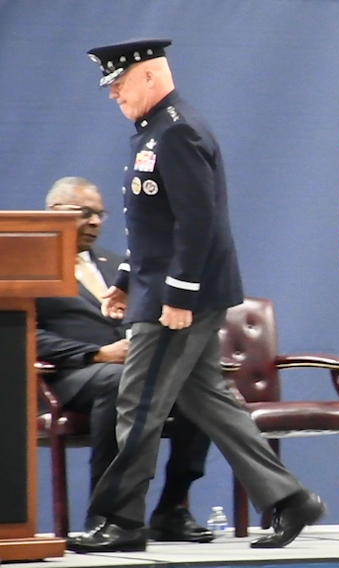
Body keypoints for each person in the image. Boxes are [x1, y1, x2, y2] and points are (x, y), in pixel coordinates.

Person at [66, 39, 323, 553]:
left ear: (147, 75)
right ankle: (290, 498)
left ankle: (123, 521)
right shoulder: (155, 131)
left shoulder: (177, 132)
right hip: (164, 292)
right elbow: (154, 230)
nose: (114, 94)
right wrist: (122, 283)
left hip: (176, 301)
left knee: (137, 405)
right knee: (209, 400)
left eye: (119, 83)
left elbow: (199, 223)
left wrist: (178, 297)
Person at [37, 176, 215, 542]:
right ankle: (106, 516)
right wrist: (96, 353)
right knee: (119, 385)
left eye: (100, 215)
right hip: (65, 376)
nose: (95, 222)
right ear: (54, 213)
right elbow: (23, 335)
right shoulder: (27, 267)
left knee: (195, 388)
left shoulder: (117, 264)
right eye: (85, 213)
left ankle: (172, 509)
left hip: (132, 366)